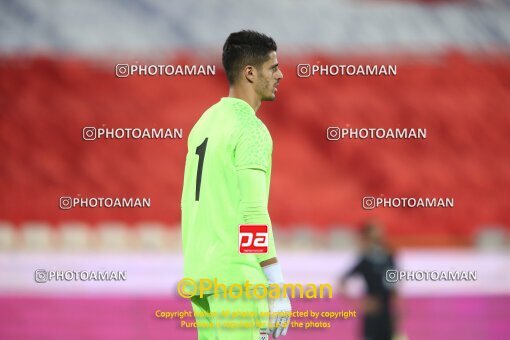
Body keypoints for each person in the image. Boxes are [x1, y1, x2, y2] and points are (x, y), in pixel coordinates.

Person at [181, 30, 290, 340]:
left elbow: (189, 202)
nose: (280, 75)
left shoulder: (204, 122)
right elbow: (253, 211)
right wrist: (277, 286)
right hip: (237, 275)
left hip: (200, 272)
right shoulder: (250, 129)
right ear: (250, 73)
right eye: (273, 67)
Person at [340, 221, 398, 340]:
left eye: (378, 238)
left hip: (387, 313)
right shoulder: (365, 260)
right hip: (372, 314)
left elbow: (394, 288)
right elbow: (342, 282)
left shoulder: (389, 258)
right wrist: (359, 303)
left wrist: (398, 312)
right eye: (373, 238)